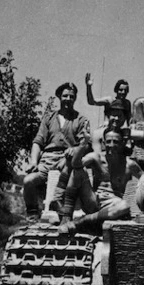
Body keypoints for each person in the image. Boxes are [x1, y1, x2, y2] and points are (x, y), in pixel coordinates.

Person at [56, 128, 144, 234]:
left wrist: (143, 179)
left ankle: (82, 221)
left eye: (116, 142)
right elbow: (76, 164)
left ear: (122, 143)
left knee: (124, 206)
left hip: (112, 206)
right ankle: (67, 217)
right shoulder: (96, 157)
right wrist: (83, 144)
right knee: (78, 171)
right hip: (93, 200)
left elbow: (143, 175)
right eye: (109, 141)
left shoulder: (129, 164)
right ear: (103, 143)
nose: (112, 145)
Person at [23, 82, 90, 219]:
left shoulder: (81, 120)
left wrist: (74, 150)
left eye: (71, 96)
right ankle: (32, 215)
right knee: (28, 181)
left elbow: (85, 144)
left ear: (75, 98)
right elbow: (38, 142)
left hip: (67, 159)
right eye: (65, 96)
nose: (68, 99)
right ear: (59, 96)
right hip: (47, 159)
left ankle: (57, 203)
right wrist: (34, 162)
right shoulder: (48, 118)